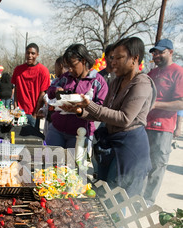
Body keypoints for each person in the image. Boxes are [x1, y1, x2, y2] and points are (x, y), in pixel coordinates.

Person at [62, 37, 157, 198]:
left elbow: (124, 118)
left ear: (134, 58)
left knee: (118, 200)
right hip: (111, 142)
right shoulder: (115, 82)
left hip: (129, 148)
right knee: (103, 193)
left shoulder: (142, 83)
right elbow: (105, 112)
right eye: (112, 58)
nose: (113, 62)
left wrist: (89, 104)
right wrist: (79, 111)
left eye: (119, 58)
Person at [45, 43, 108, 149]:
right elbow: (49, 91)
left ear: (83, 61)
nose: (70, 70)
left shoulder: (98, 82)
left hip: (81, 133)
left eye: (73, 66)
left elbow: (101, 110)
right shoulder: (65, 78)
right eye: (67, 66)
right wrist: (56, 91)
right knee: (50, 163)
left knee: (76, 165)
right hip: (56, 129)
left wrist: (80, 110)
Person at [143, 39, 183, 206]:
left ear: (171, 52)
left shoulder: (178, 72)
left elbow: (180, 103)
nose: (156, 55)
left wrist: (156, 104)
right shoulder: (152, 73)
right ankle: (136, 196)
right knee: (142, 164)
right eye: (154, 52)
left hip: (163, 127)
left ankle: (148, 201)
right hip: (144, 124)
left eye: (160, 52)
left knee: (157, 165)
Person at [11, 43, 50, 128]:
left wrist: (35, 114)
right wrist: (15, 107)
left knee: (32, 138)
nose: (30, 55)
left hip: (34, 113)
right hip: (20, 112)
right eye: (28, 53)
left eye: (33, 53)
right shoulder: (18, 70)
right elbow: (16, 89)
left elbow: (43, 93)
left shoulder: (43, 71)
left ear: (37, 55)